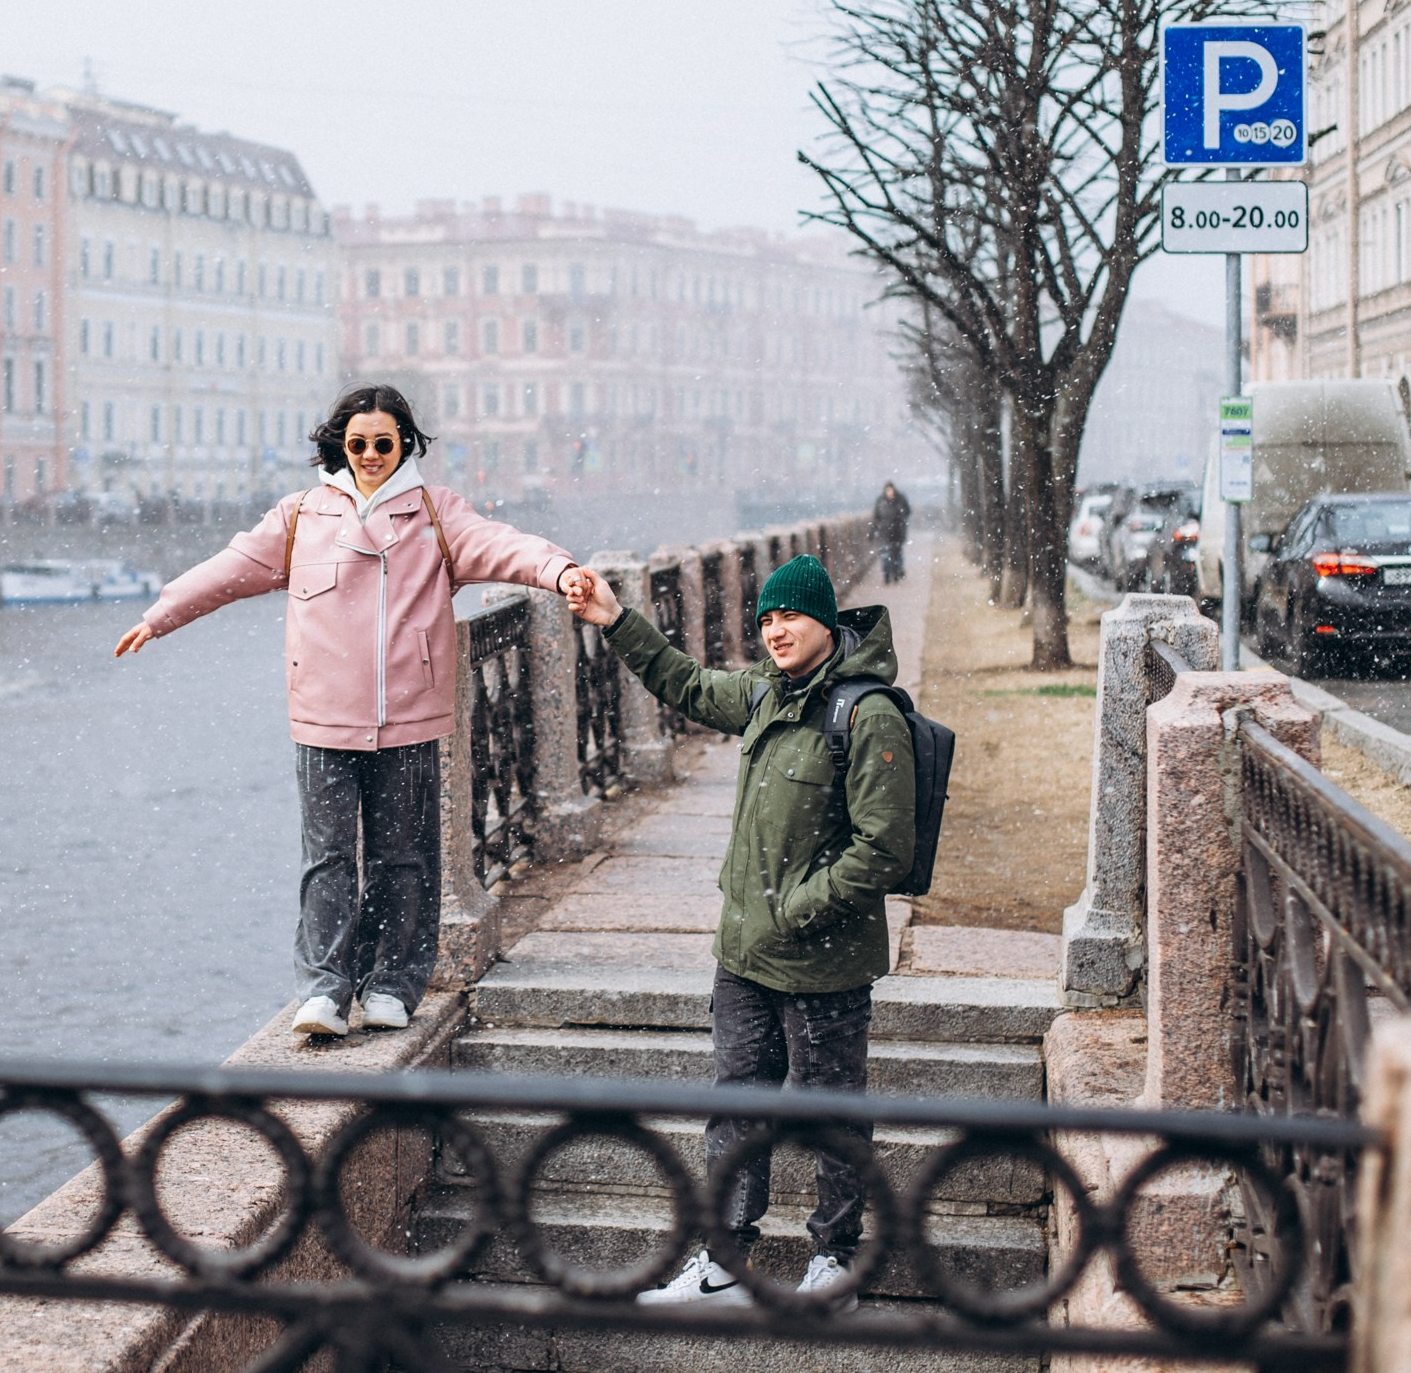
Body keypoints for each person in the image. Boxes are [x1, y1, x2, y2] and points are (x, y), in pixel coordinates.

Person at [117, 385, 591, 1038]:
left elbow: (502, 544)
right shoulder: (301, 516)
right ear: (341, 443)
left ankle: (393, 985)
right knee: (328, 857)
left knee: (404, 856)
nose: (369, 455)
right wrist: (160, 615)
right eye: (358, 443)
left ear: (404, 447)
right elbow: (228, 569)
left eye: (383, 444)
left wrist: (560, 571)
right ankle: (325, 992)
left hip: (409, 712)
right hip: (323, 714)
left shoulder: (435, 513)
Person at [567, 553, 914, 1308]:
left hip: (822, 961)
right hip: (744, 956)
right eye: (765, 619)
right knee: (736, 1108)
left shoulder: (867, 713)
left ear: (826, 618)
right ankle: (723, 1259)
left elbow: (884, 847)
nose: (776, 630)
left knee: (832, 1115)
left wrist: (799, 908)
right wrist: (616, 619)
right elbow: (686, 682)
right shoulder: (765, 694)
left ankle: (836, 1261)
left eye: (789, 615)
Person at [872, 481, 911, 585]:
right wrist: (873, 531)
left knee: (896, 554)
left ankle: (896, 572)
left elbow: (907, 512)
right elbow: (876, 518)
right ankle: (888, 575)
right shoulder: (881, 501)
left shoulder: (899, 500)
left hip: (897, 532)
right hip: (884, 533)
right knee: (885, 555)